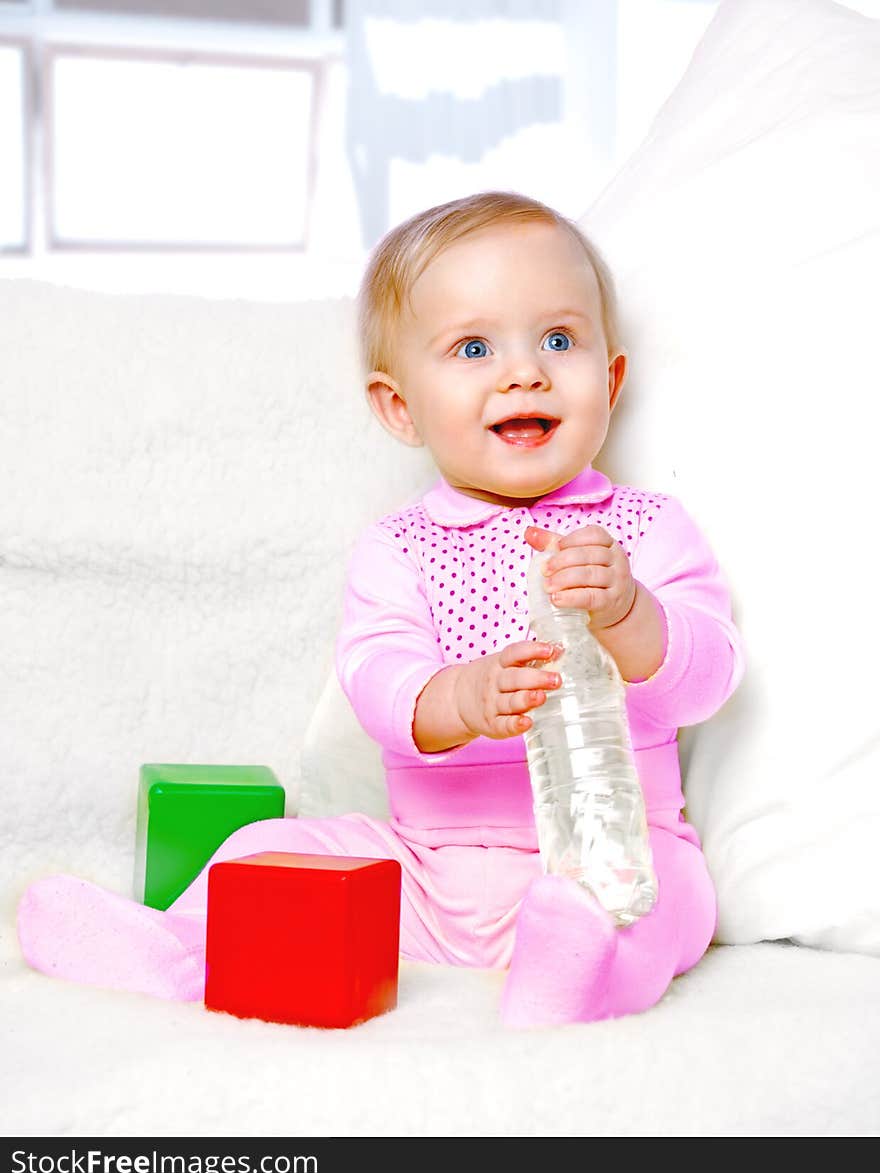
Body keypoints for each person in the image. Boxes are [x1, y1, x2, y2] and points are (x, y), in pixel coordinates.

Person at [16, 191, 744, 1027]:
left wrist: (629, 614)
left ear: (610, 378)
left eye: (559, 338)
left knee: (675, 900)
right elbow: (378, 677)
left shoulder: (644, 530)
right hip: (427, 874)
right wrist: (462, 696)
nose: (524, 371)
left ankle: (578, 976)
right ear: (401, 408)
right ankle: (177, 948)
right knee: (270, 845)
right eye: (473, 346)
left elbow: (709, 676)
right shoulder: (400, 547)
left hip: (614, 853)